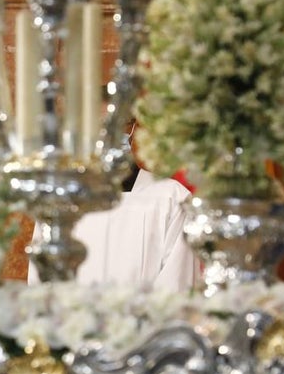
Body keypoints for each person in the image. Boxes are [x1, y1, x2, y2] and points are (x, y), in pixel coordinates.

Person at [28, 122, 197, 291]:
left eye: (117, 122)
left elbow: (175, 291)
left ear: (132, 126)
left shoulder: (171, 198)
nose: (106, 134)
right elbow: (41, 290)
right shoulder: (58, 201)